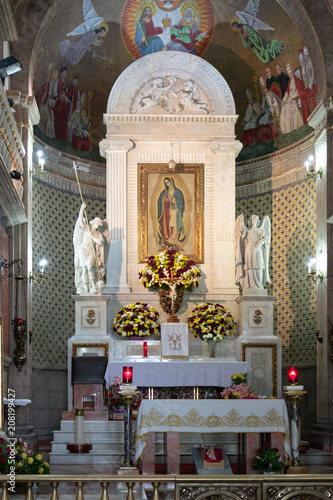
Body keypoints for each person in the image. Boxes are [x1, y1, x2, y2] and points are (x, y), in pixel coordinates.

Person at [73, 202, 109, 294]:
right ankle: (85, 288)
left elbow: (100, 242)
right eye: (97, 223)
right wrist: (82, 208)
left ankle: (93, 286)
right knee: (84, 268)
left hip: (91, 251)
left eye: (99, 224)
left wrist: (92, 236)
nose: (98, 225)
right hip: (83, 249)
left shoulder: (98, 234)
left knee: (89, 266)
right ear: (93, 223)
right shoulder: (87, 228)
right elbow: (80, 220)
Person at [234, 213, 271, 294]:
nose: (255, 221)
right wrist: (241, 220)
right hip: (249, 249)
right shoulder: (248, 230)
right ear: (251, 221)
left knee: (259, 266)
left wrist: (261, 242)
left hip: (258, 250)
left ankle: (259, 285)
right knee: (250, 267)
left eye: (256, 219)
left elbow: (265, 239)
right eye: (253, 219)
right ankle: (250, 285)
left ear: (258, 221)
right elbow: (242, 233)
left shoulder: (261, 230)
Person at [280, 63, 310, 133]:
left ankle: (296, 127)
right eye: (289, 74)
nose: (290, 76)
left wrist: (292, 98)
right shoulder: (289, 82)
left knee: (288, 109)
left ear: (293, 73)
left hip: (296, 100)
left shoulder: (297, 80)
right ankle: (288, 130)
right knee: (284, 108)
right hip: (290, 100)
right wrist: (283, 101)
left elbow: (299, 91)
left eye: (290, 74)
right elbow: (287, 92)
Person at [157, 177, 186, 248]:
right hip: (166, 211)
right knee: (166, 225)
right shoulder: (164, 192)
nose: (167, 184)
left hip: (174, 211)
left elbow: (181, 202)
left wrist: (172, 200)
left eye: (168, 182)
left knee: (173, 225)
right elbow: (160, 201)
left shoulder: (177, 192)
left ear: (171, 182)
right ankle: (167, 239)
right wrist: (165, 200)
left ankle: (173, 240)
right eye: (165, 183)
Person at [53, 66, 70, 141]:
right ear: (62, 73)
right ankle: (57, 134)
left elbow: (64, 92)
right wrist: (59, 96)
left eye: (66, 73)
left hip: (63, 101)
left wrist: (65, 98)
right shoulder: (58, 80)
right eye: (65, 73)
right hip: (58, 101)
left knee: (66, 111)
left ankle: (63, 136)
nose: (66, 74)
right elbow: (55, 91)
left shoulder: (64, 83)